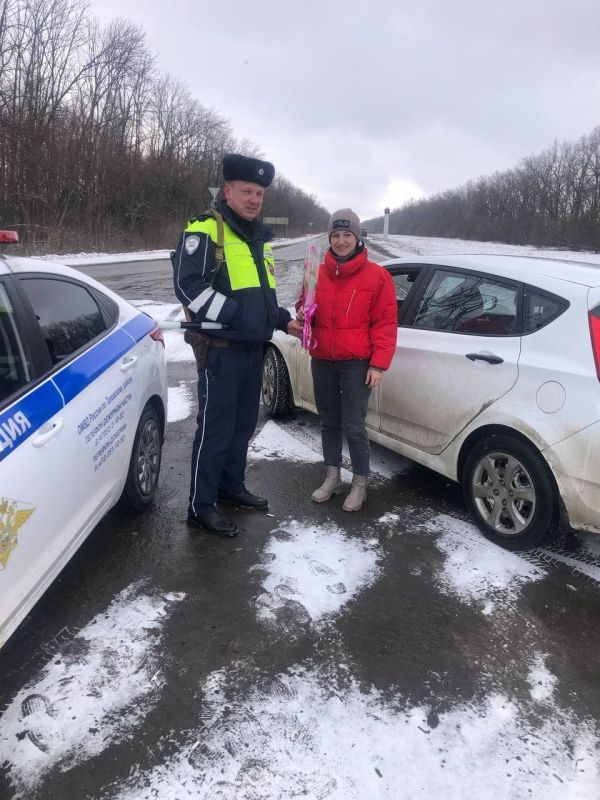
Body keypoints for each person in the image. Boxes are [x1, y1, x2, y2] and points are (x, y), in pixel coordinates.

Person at [172, 153, 302, 537]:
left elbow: (261, 296)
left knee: (242, 427)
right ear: (227, 191)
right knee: (215, 430)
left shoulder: (260, 237)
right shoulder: (205, 228)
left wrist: (283, 320)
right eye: (247, 191)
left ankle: (230, 488)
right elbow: (187, 285)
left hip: (252, 350)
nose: (254, 199)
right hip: (220, 352)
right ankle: (201, 506)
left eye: (259, 193)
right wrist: (231, 313)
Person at [296, 209, 397, 511]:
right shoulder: (315, 270)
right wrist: (302, 310)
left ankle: (360, 483)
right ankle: (332, 476)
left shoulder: (377, 276)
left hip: (356, 362)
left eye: (347, 235)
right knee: (328, 421)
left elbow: (385, 323)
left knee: (353, 425)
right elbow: (304, 302)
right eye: (336, 235)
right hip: (322, 357)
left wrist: (379, 363)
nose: (341, 241)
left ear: (357, 238)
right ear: (330, 238)